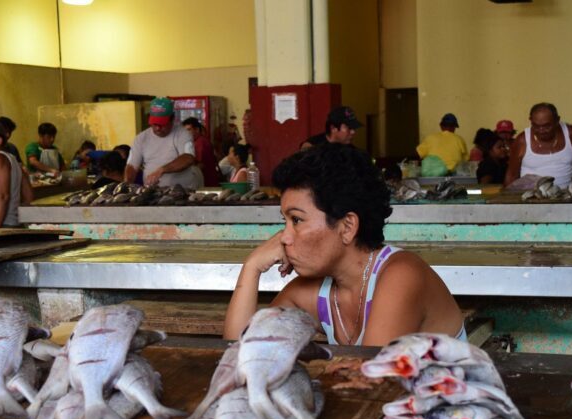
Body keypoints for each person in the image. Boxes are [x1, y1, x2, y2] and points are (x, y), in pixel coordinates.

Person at [223, 143, 465, 346]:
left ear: (347, 226)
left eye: (296, 220)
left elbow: (370, 384)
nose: (284, 238)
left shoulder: (401, 277)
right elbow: (238, 359)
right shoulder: (316, 293)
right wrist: (252, 266)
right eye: (285, 221)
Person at [504, 103, 572, 187]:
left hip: (566, 199)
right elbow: (511, 175)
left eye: (547, 126)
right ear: (530, 121)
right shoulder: (522, 140)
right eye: (536, 126)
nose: (541, 130)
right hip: (531, 200)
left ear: (557, 120)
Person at [124, 97, 201, 189]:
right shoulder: (141, 138)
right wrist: (126, 185)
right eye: (154, 124)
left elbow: (188, 158)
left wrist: (162, 170)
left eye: (162, 124)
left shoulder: (183, 134)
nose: (157, 128)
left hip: (182, 191)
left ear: (172, 119)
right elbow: (132, 166)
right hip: (152, 192)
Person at [182, 116, 220, 187]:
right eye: (185, 131)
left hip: (206, 184)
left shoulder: (201, 143)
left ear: (197, 129)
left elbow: (200, 165)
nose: (186, 133)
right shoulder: (195, 142)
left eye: (189, 130)